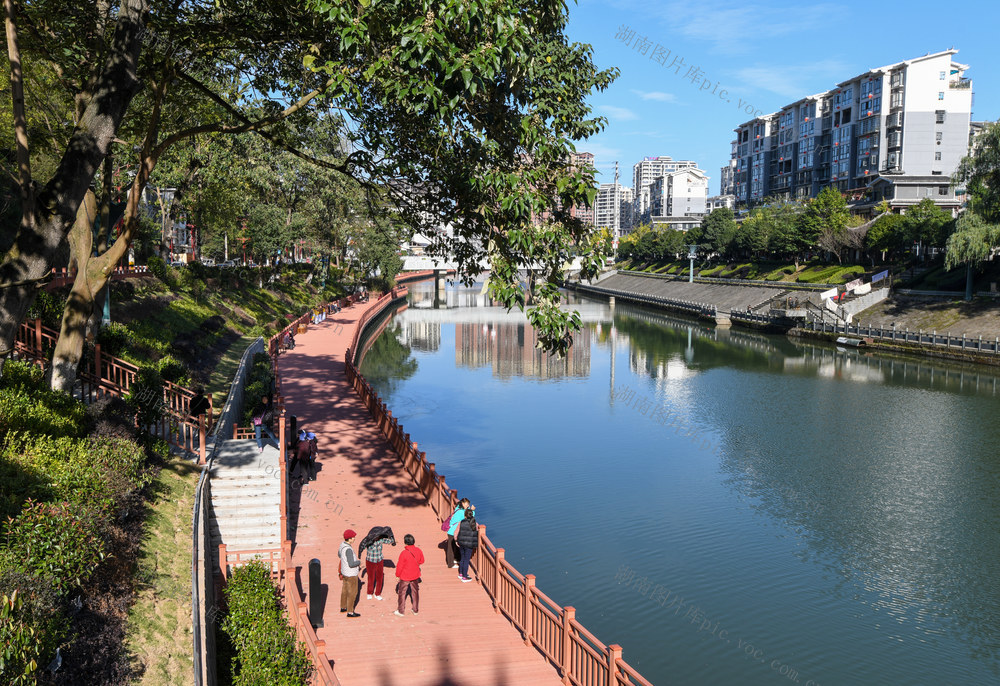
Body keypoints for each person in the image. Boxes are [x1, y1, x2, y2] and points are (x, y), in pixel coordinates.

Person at [358, 526, 396, 601]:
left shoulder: (381, 540)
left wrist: (391, 535)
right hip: (370, 561)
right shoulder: (368, 541)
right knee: (371, 578)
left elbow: (391, 541)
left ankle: (377, 594)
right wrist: (359, 554)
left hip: (379, 560)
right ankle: (369, 593)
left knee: (380, 577)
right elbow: (362, 545)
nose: (377, 537)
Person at [394, 534, 424, 617]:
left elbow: (400, 566)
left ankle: (401, 610)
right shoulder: (418, 550)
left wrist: (397, 575)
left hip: (405, 576)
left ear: (405, 543)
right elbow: (422, 561)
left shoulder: (404, 553)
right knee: (415, 592)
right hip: (415, 575)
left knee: (402, 593)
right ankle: (415, 609)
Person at [445, 498, 475, 569]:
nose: (468, 506)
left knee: (455, 546)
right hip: (453, 532)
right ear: (462, 503)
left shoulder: (457, 508)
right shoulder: (461, 512)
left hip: (452, 530)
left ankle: (456, 559)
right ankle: (450, 564)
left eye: (468, 504)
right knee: (451, 548)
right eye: (466, 504)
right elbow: (470, 516)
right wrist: (472, 510)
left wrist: (469, 510)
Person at [339, 529, 362, 617]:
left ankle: (343, 607)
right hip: (351, 573)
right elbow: (352, 564)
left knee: (344, 590)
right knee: (352, 592)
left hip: (344, 572)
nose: (354, 539)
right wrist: (359, 562)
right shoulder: (348, 549)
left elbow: (339, 555)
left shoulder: (342, 545)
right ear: (349, 539)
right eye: (353, 537)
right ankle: (350, 611)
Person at [455, 507, 479, 582]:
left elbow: (456, 532)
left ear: (465, 516)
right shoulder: (474, 523)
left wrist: (456, 540)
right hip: (469, 544)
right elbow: (476, 534)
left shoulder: (461, 522)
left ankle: (461, 573)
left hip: (461, 543)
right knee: (466, 560)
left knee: (462, 558)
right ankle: (465, 577)